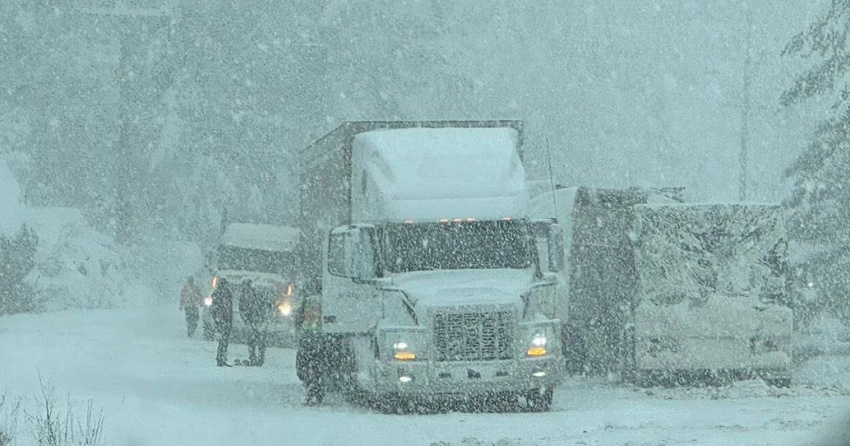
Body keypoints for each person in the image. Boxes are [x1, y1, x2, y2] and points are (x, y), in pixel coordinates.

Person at [296, 293, 325, 405]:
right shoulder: (321, 301)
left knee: (311, 368)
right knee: (315, 368)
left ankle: (313, 393)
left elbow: (299, 318)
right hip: (315, 336)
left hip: (311, 336)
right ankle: (315, 394)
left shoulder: (307, 300)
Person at [238, 280, 268, 366]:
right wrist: (246, 319)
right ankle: (253, 358)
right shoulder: (243, 297)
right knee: (252, 341)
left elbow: (263, 307)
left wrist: (262, 319)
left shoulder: (257, 296)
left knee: (259, 341)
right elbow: (241, 309)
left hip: (258, 322)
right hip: (251, 322)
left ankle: (259, 359)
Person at [210, 278, 234, 367]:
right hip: (223, 320)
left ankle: (221, 358)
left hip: (224, 320)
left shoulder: (220, 293)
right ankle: (220, 358)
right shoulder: (221, 293)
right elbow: (214, 308)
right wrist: (218, 318)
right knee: (223, 340)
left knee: (224, 340)